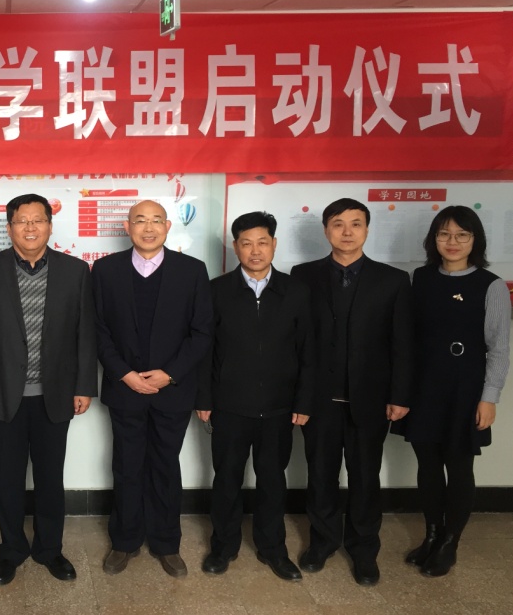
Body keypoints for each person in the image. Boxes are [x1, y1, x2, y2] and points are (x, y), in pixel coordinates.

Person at [0, 193, 97, 586]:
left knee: (50, 479)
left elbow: (85, 333)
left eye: (38, 220)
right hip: (4, 393)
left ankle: (49, 549)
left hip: (55, 393)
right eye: (22, 221)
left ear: (50, 226)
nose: (30, 227)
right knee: (8, 479)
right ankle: (11, 551)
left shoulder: (76, 271)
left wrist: (84, 386)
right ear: (9, 228)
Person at [291, 198, 413, 586]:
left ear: (367, 229)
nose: (347, 232)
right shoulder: (303, 275)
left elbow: (402, 344)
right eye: (338, 224)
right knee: (320, 475)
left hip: (370, 399)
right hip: (320, 400)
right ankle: (322, 542)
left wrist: (400, 395)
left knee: (365, 479)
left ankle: (364, 551)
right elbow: (297, 340)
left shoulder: (393, 280)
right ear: (326, 230)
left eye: (355, 224)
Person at [92, 199, 212, 578]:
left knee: (165, 465)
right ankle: (124, 541)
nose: (148, 228)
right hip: (124, 388)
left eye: (156, 220)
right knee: (126, 465)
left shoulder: (192, 271)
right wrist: (123, 373)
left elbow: (202, 332)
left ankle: (166, 544)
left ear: (167, 227)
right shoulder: (106, 270)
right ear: (127, 227)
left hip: (172, 390)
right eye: (140, 220)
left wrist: (170, 374)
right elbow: (97, 329)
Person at [196, 211, 314, 581]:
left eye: (262, 242)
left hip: (279, 407)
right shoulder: (216, 290)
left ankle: (273, 549)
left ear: (274, 244)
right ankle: (223, 547)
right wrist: (204, 399)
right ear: (235, 247)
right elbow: (205, 350)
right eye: (246, 243)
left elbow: (309, 352)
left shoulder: (296, 291)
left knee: (273, 482)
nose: (255, 250)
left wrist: (303, 402)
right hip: (229, 406)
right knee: (226, 480)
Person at [397, 206, 510, 577]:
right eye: (444, 234)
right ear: (434, 239)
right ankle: (432, 534)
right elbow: (408, 337)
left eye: (462, 234)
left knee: (459, 465)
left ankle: (450, 542)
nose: (453, 241)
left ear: (475, 240)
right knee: (427, 465)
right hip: (424, 386)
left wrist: (489, 397)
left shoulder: (491, 286)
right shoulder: (420, 278)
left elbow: (499, 348)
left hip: (465, 390)